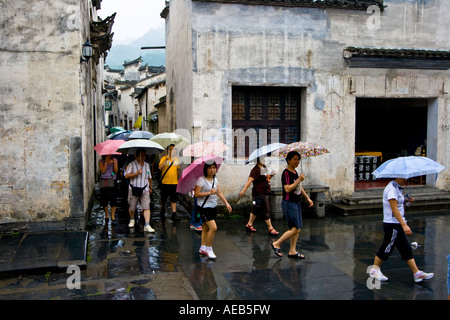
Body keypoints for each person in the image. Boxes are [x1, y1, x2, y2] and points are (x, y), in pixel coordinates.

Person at [369, 178, 434, 283]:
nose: (406, 179)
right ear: (398, 177)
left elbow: (399, 206)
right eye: (404, 177)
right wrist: (404, 225)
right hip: (392, 224)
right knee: (387, 247)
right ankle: (374, 270)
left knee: (405, 249)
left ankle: (417, 273)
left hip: (397, 223)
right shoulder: (391, 189)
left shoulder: (397, 188)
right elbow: (394, 209)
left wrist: (407, 201)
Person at [271, 151, 313, 259]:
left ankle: (292, 250)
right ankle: (277, 243)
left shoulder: (295, 172)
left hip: (296, 202)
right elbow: (287, 188)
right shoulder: (286, 173)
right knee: (295, 229)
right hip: (289, 203)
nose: (297, 161)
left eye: (298, 159)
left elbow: (299, 187)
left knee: (297, 227)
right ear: (288, 160)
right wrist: (299, 180)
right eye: (294, 159)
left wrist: (307, 198)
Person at [194, 161, 232, 259]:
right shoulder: (201, 180)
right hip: (203, 208)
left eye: (214, 168)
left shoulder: (215, 180)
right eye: (210, 168)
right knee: (213, 228)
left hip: (212, 207)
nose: (212, 170)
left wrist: (226, 203)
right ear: (206, 169)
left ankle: (202, 247)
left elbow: (219, 192)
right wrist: (209, 192)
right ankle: (209, 248)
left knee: (206, 228)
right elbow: (196, 194)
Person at [238, 157, 278, 235]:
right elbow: (249, 181)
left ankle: (249, 224)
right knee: (266, 209)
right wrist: (243, 190)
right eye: (263, 158)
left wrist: (271, 175)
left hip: (264, 192)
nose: (265, 160)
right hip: (258, 194)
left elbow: (267, 179)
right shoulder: (255, 170)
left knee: (255, 209)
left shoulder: (264, 168)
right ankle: (270, 228)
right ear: (258, 160)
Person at [125, 149, 154, 233]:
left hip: (144, 188)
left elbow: (149, 177)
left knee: (146, 207)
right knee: (132, 207)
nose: (143, 157)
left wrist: (150, 187)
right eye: (141, 155)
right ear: (136, 156)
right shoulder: (131, 164)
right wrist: (136, 173)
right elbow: (126, 175)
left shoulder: (147, 165)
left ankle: (147, 224)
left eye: (144, 155)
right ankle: (132, 219)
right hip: (134, 188)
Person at [159, 144, 180, 222]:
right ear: (168, 151)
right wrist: (166, 160)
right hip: (165, 182)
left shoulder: (176, 159)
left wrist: (177, 179)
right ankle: (162, 209)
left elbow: (178, 170)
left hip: (174, 183)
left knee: (173, 199)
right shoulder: (163, 158)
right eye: (171, 149)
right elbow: (160, 167)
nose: (173, 151)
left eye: (174, 150)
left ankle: (174, 213)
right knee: (163, 198)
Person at [99, 154, 118, 221]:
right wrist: (106, 163)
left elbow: (116, 172)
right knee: (104, 199)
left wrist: (114, 164)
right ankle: (107, 215)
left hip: (112, 181)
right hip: (104, 181)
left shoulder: (114, 160)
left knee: (113, 198)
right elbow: (103, 171)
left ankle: (112, 216)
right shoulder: (101, 161)